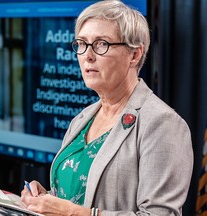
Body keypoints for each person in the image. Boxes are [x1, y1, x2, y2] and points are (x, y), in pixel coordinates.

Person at [21, 0, 193, 215]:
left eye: (102, 44)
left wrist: (73, 213)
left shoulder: (163, 124)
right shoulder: (83, 118)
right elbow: (80, 195)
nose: (87, 55)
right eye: (82, 44)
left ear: (135, 54)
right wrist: (46, 199)